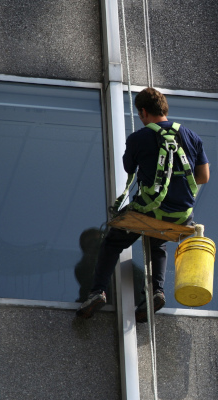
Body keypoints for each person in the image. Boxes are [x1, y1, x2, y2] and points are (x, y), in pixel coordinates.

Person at [77, 88, 209, 322]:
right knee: (158, 242)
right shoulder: (192, 136)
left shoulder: (138, 138)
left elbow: (129, 168)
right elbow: (203, 177)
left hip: (149, 210)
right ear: (165, 109)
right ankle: (156, 291)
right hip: (181, 215)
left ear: (143, 112)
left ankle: (96, 292)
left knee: (112, 242)